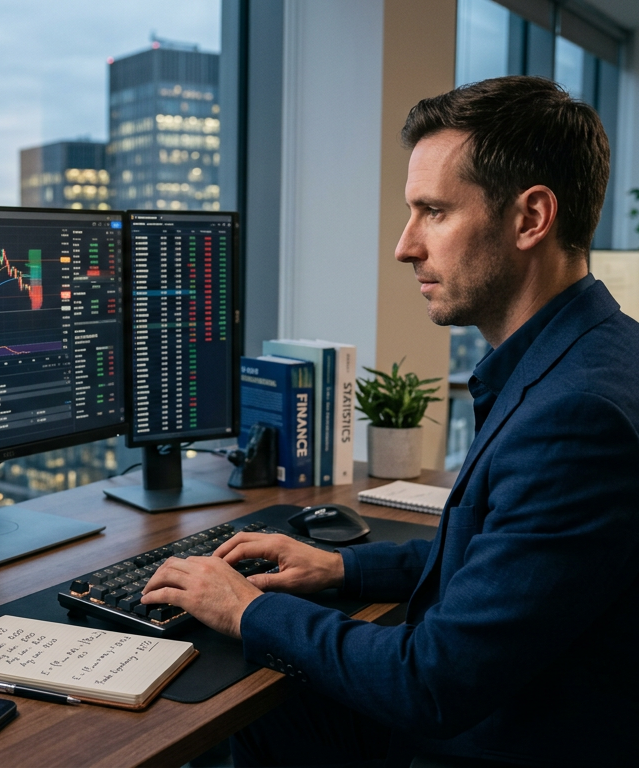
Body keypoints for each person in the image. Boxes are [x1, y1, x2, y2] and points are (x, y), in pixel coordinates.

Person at [140, 76, 639, 767]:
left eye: (433, 212)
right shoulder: (596, 353)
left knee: (211, 719)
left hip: (499, 742)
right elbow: (504, 557)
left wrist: (246, 610)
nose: (405, 247)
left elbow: (431, 681)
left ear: (531, 219)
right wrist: (340, 568)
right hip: (531, 711)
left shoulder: (577, 416)